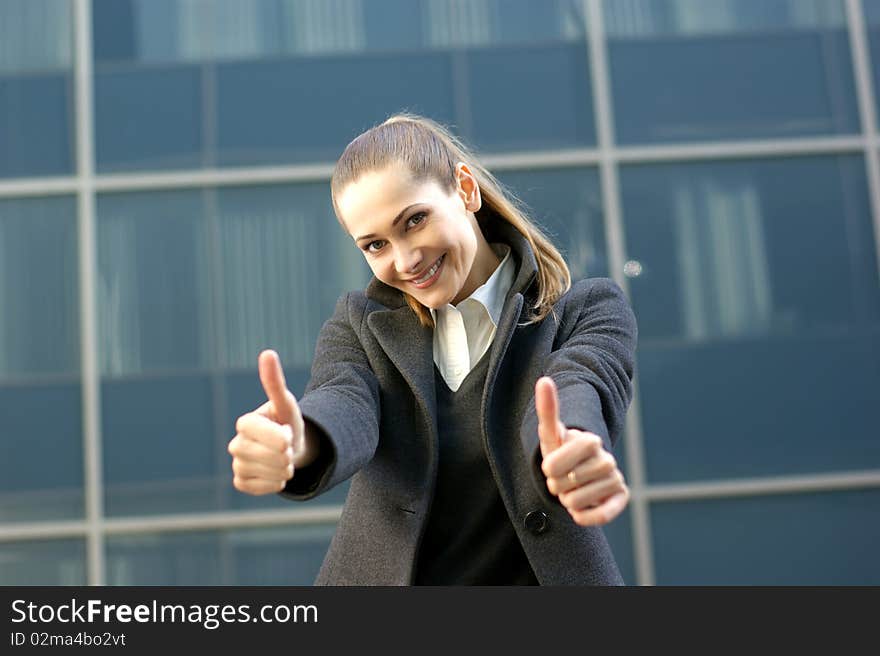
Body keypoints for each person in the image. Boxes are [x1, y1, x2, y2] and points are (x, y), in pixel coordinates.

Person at [227, 114, 637, 585]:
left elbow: (580, 383)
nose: (405, 260)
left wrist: (570, 443)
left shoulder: (586, 310)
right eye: (375, 244)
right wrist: (302, 441)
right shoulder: (359, 326)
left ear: (465, 190)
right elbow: (343, 401)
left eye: (415, 221)